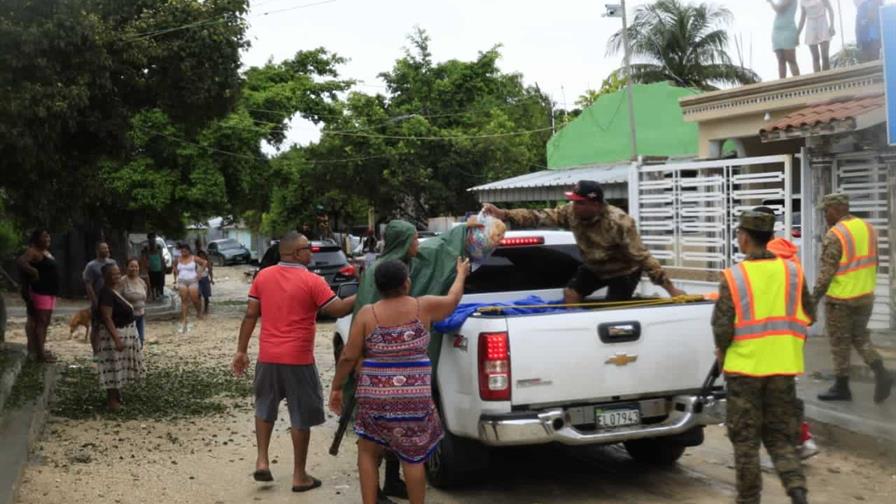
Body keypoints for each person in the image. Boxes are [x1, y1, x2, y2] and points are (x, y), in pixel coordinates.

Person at [329, 258, 469, 504]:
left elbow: (348, 356)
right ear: (406, 283)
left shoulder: (367, 313)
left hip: (374, 398)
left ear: (378, 287)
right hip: (413, 399)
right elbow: (453, 300)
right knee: (412, 457)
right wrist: (460, 273)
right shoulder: (423, 307)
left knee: (368, 452)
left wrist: (337, 387)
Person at [231, 232, 355, 493]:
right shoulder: (313, 281)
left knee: (264, 408)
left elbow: (250, 315)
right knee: (300, 416)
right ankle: (299, 476)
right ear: (295, 253)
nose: (311, 251)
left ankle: (262, 460)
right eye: (307, 248)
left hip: (268, 357)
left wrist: (241, 351)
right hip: (299, 359)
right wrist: (367, 291)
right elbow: (339, 309)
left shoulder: (262, 277)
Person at [712, 210, 813, 504]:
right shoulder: (793, 272)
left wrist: (721, 353)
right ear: (770, 238)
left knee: (745, 442)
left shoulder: (734, 277)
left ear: (744, 238)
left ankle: (749, 499)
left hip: (744, 371)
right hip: (783, 368)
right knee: (781, 437)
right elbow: (808, 313)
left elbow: (722, 328)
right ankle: (797, 491)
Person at [482, 180, 685, 304]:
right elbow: (538, 216)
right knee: (570, 294)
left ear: (595, 204)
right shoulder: (570, 213)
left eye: (581, 203)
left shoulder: (619, 222)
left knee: (611, 312)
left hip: (623, 271)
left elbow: (644, 258)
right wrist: (504, 214)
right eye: (574, 201)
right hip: (594, 267)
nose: (575, 206)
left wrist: (671, 290)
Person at [813, 193, 893, 403]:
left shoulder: (835, 234)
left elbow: (826, 274)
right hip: (865, 295)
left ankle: (842, 388)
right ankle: (881, 372)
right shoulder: (867, 228)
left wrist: (812, 300)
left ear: (836, 209)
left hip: (841, 300)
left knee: (840, 343)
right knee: (860, 338)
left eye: (826, 210)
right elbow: (874, 261)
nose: (824, 215)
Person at [96, 263, 145, 411]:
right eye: (113, 274)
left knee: (119, 367)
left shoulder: (113, 291)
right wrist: (117, 338)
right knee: (112, 366)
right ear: (105, 276)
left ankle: (117, 395)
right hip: (113, 336)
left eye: (118, 273)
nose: (117, 276)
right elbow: (106, 317)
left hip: (125, 331)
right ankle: (112, 401)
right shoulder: (106, 293)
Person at [16, 229, 59, 363]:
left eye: (48, 236)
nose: (48, 238)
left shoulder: (45, 252)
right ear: (36, 239)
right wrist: (33, 271)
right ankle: (40, 355)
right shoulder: (33, 251)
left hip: (50, 292)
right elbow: (21, 261)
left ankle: (39, 350)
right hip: (41, 292)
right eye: (44, 236)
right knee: (41, 323)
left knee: (44, 323)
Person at [84, 242, 117, 351]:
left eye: (107, 248)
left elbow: (118, 279)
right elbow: (88, 284)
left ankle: (111, 346)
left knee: (112, 323)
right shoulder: (91, 266)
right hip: (98, 298)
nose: (106, 250)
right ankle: (96, 351)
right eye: (103, 248)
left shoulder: (113, 263)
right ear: (97, 251)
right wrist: (94, 300)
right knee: (96, 325)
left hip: (112, 298)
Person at [173, 243, 207, 333]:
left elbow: (204, 262)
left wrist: (199, 272)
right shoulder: (178, 259)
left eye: (185, 250)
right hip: (182, 281)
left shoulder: (193, 258)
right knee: (184, 300)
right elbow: (173, 266)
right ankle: (184, 318)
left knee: (194, 298)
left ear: (189, 251)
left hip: (193, 280)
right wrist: (176, 272)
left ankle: (199, 312)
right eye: (182, 251)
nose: (183, 252)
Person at [798, 0, 835, 72]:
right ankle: (818, 80)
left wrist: (832, 25)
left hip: (822, 23)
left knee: (825, 56)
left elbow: (830, 9)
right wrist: (797, 34)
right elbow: (802, 18)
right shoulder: (803, 2)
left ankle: (826, 78)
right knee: (815, 57)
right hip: (811, 26)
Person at [768, 0, 801, 78]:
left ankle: (798, 84)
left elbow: (779, 9)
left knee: (791, 59)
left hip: (788, 29)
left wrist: (771, 2)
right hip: (777, 31)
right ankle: (782, 85)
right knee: (781, 60)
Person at [120, 258, 148, 348]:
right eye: (131, 266)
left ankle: (138, 361)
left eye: (136, 266)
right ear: (126, 267)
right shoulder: (122, 282)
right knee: (129, 342)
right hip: (128, 318)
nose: (134, 268)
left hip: (140, 316)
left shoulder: (142, 282)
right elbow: (116, 298)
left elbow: (144, 297)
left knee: (141, 340)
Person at [141, 232, 165, 301]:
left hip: (159, 267)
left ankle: (158, 294)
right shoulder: (146, 248)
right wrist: (145, 265)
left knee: (159, 281)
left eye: (153, 238)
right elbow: (143, 257)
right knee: (152, 282)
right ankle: (153, 295)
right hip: (150, 268)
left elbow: (161, 257)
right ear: (148, 239)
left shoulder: (159, 246)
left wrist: (162, 266)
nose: (152, 239)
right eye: (151, 238)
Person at [196, 249, 214, 315]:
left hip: (205, 280)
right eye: (200, 255)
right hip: (198, 280)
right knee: (198, 295)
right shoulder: (195, 263)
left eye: (202, 255)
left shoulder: (207, 263)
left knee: (206, 296)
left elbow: (210, 272)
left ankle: (206, 309)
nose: (201, 257)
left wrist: (211, 279)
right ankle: (199, 310)